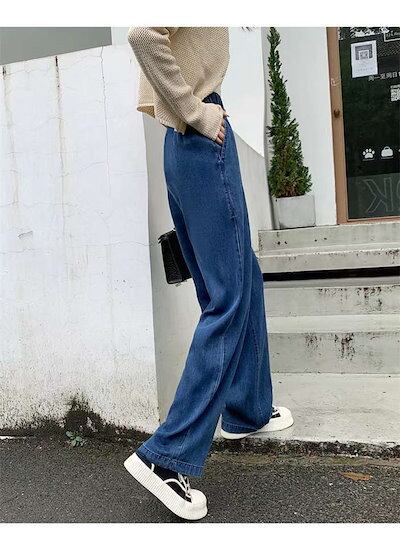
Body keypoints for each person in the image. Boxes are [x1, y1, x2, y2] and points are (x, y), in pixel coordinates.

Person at [124, 27, 293, 521]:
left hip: (186, 145)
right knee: (227, 298)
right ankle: (165, 455)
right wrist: (196, 112)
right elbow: (143, 35)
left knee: (244, 278)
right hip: (200, 134)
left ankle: (247, 409)